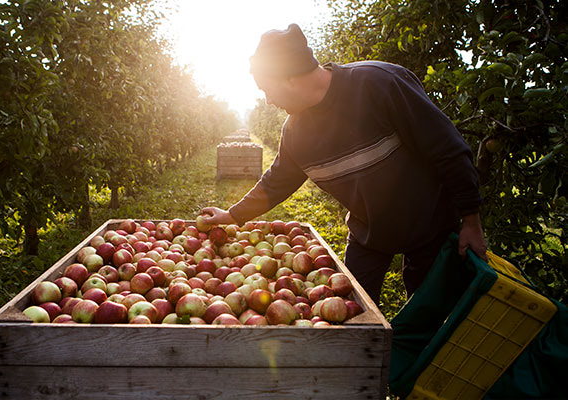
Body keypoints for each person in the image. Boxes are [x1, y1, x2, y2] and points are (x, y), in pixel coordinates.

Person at [200, 23, 488, 305]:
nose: (268, 101)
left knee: (428, 314)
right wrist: (232, 215)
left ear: (288, 77)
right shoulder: (296, 132)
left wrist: (471, 221)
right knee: (351, 309)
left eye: (267, 89)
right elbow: (278, 180)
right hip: (369, 234)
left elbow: (447, 148)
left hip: (430, 224)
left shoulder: (379, 84)